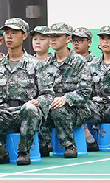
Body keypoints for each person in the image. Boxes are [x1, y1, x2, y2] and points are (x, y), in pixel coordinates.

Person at [0, 18, 52, 165]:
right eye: (7, 33)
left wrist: (38, 102)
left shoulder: (35, 64)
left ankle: (24, 151)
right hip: (4, 112)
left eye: (14, 33)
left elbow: (48, 94)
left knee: (30, 108)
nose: (9, 36)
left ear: (24, 36)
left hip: (25, 112)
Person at [38, 23, 93, 158]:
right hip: (51, 106)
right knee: (37, 108)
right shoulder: (46, 63)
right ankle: (42, 144)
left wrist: (66, 99)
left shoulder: (79, 62)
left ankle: (69, 145)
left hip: (77, 109)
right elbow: (42, 90)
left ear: (68, 39)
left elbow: (85, 92)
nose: (53, 40)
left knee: (58, 108)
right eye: (51, 36)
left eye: (57, 36)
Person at [71, 27, 99, 151]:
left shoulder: (96, 62)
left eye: (80, 40)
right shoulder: (68, 63)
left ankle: (86, 132)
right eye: (74, 40)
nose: (76, 43)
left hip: (94, 101)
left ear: (89, 42)